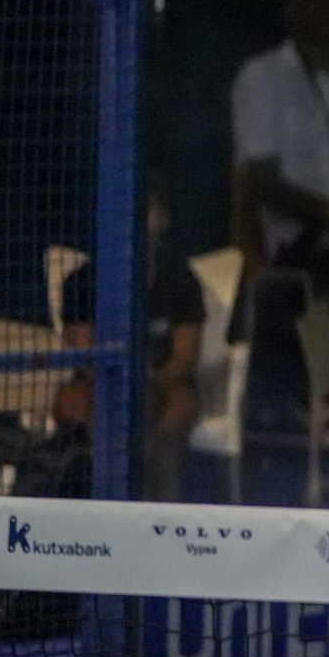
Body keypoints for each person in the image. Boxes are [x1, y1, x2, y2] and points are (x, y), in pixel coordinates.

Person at [229, 0, 329, 427]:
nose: (323, 9)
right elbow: (258, 178)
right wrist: (328, 213)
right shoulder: (263, 76)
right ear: (290, 8)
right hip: (290, 250)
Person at [57, 179, 205, 501]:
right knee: (70, 404)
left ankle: (159, 501)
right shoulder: (80, 282)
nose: (136, 219)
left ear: (161, 219)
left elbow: (185, 357)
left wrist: (148, 384)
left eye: (146, 211)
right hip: (103, 384)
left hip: (164, 385)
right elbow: (85, 356)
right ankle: (88, 497)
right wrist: (122, 387)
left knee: (180, 406)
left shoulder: (181, 280)